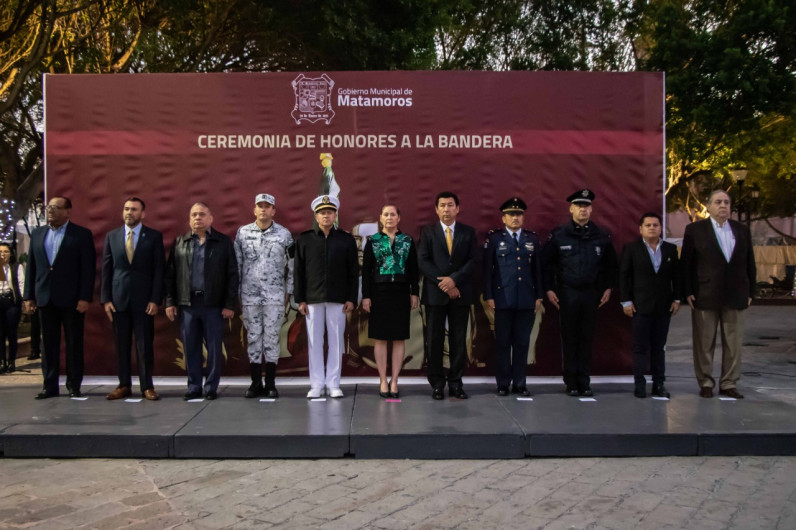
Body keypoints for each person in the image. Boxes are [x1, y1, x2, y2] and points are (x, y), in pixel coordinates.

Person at [680, 190, 756, 399]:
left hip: (737, 295)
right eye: (718, 202)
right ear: (709, 206)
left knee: (734, 343)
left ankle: (729, 383)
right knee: (704, 342)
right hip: (705, 294)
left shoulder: (741, 230)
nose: (723, 206)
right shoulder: (695, 230)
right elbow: (686, 264)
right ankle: (705, 382)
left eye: (726, 202)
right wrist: (687, 291)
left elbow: (750, 262)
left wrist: (752, 291)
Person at [543, 189, 617, 397]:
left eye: (586, 206)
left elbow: (611, 266)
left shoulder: (601, 235)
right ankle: (571, 382)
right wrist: (549, 289)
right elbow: (546, 265)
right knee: (569, 338)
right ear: (571, 208)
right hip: (567, 293)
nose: (583, 209)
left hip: (591, 294)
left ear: (591, 209)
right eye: (579, 206)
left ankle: (584, 381)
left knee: (586, 338)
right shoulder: (559, 235)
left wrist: (609, 288)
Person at [23, 196, 96, 399]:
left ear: (67, 212)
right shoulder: (38, 234)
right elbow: (32, 268)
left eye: (56, 207)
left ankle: (73, 385)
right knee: (48, 345)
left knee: (73, 343)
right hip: (44, 298)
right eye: (49, 207)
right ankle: (50, 385)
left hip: (72, 299)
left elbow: (87, 269)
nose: (51, 211)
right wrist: (28, 296)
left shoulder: (80, 235)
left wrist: (84, 297)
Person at [165, 202, 238, 401]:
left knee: (214, 347)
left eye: (202, 214)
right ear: (189, 219)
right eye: (194, 215)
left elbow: (232, 275)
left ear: (211, 218)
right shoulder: (180, 242)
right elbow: (170, 275)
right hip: (188, 304)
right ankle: (194, 386)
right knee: (191, 346)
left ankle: (211, 387)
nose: (198, 218)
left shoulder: (222, 242)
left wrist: (229, 304)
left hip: (213, 304)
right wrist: (170, 302)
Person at [100, 197, 165, 401]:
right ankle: (124, 385)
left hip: (144, 301)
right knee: (121, 345)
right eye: (127, 209)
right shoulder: (112, 236)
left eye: (134, 210)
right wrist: (106, 299)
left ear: (142, 214)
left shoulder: (153, 236)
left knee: (144, 345)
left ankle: (147, 386)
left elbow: (159, 270)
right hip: (119, 300)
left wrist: (155, 299)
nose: (130, 212)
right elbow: (106, 269)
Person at [294, 195, 358, 399]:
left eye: (330, 212)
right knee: (314, 341)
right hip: (312, 298)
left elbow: (353, 271)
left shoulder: (346, 239)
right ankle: (316, 384)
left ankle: (333, 383)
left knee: (336, 341)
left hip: (338, 298)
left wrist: (351, 297)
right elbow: (298, 272)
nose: (326, 215)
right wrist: (300, 299)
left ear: (335, 215)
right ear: (316, 215)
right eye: (322, 212)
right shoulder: (304, 239)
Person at [418, 191, 478, 400]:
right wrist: (445, 283)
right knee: (434, 340)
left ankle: (456, 383)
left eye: (450, 205)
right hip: (436, 294)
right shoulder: (427, 232)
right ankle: (436, 383)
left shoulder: (468, 232)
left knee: (458, 340)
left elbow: (472, 260)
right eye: (442, 205)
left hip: (460, 292)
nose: (446, 209)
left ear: (457, 208)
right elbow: (423, 261)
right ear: (436, 209)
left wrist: (455, 280)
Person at [234, 193, 294, 399]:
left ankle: (270, 383)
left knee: (271, 338)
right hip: (249, 296)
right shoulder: (242, 233)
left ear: (273, 211)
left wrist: (289, 291)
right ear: (254, 210)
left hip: (275, 296)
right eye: (260, 206)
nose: (263, 210)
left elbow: (293, 265)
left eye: (267, 206)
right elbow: (237, 265)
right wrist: (237, 293)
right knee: (253, 337)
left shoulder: (284, 235)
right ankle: (254, 383)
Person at [483, 197, 543, 397]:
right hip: (502, 298)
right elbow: (487, 271)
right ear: (503, 218)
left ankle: (520, 383)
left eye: (518, 214)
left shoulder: (532, 239)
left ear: (523, 217)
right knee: (502, 343)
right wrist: (489, 295)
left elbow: (538, 271)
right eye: (511, 215)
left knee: (522, 343)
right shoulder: (494, 239)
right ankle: (502, 383)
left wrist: (539, 295)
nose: (515, 218)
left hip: (526, 299)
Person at [619, 212, 681, 398]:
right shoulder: (631, 249)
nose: (652, 228)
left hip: (663, 307)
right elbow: (624, 276)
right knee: (640, 347)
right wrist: (626, 301)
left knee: (659, 347)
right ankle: (639, 384)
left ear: (661, 228)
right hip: (640, 306)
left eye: (655, 225)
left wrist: (677, 299)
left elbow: (677, 276)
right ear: (641, 229)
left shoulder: (670, 249)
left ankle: (659, 384)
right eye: (648, 225)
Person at [361, 204, 420, 398]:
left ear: (399, 218)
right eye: (385, 214)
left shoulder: (407, 240)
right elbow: (366, 271)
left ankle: (394, 380)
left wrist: (414, 293)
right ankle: (382, 380)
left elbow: (414, 270)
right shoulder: (374, 241)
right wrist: (367, 296)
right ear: (380, 218)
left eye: (393, 214)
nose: (389, 217)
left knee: (398, 338)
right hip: (379, 292)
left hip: (401, 292)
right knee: (380, 337)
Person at [0, 243, 24, 374]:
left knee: (11, 333)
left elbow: (21, 283)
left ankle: (11, 361)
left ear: (11, 254)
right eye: (0, 251)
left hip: (11, 301)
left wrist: (25, 300)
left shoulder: (16, 267)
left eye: (6, 251)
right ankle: (2, 361)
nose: (3, 254)